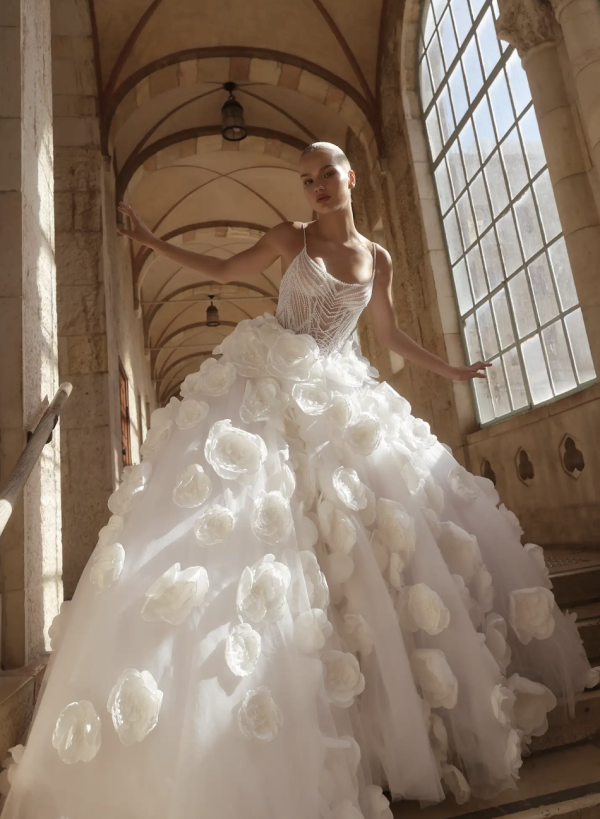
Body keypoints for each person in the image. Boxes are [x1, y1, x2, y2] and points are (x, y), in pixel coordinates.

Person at [2, 143, 597, 819]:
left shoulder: (379, 257)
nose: (316, 186)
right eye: (307, 179)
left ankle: (380, 719)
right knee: (265, 533)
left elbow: (389, 334)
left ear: (351, 177)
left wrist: (452, 371)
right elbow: (226, 270)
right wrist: (150, 239)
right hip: (263, 385)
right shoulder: (293, 237)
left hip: (338, 394)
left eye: (326, 175)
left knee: (366, 549)